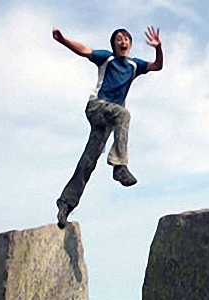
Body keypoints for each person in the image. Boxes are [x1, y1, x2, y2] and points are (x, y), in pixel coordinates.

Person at [52, 25, 163, 229]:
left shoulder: (133, 65)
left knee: (88, 162)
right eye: (119, 39)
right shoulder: (107, 58)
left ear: (130, 44)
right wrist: (63, 40)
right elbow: (84, 50)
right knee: (123, 113)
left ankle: (65, 203)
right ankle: (119, 166)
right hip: (97, 108)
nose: (123, 41)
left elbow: (157, 66)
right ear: (114, 45)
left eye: (126, 39)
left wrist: (158, 47)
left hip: (109, 120)